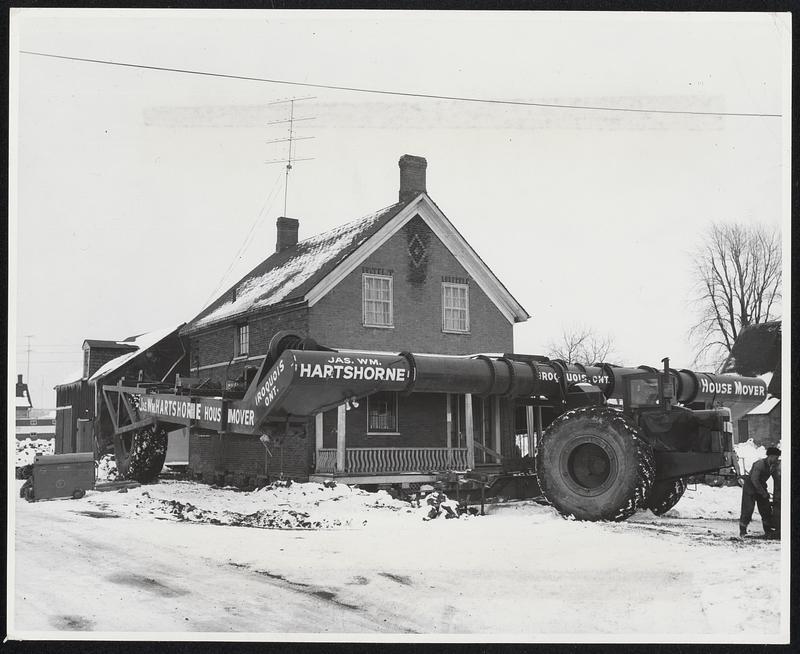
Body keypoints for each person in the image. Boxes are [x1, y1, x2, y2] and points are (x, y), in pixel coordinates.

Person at [739, 446, 780, 538]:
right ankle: (742, 531)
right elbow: (754, 480)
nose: (777, 460)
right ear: (771, 456)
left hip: (761, 486)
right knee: (748, 509)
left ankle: (767, 530)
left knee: (765, 508)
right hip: (750, 487)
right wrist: (763, 493)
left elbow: (777, 479)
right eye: (776, 457)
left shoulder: (773, 466)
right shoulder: (759, 464)